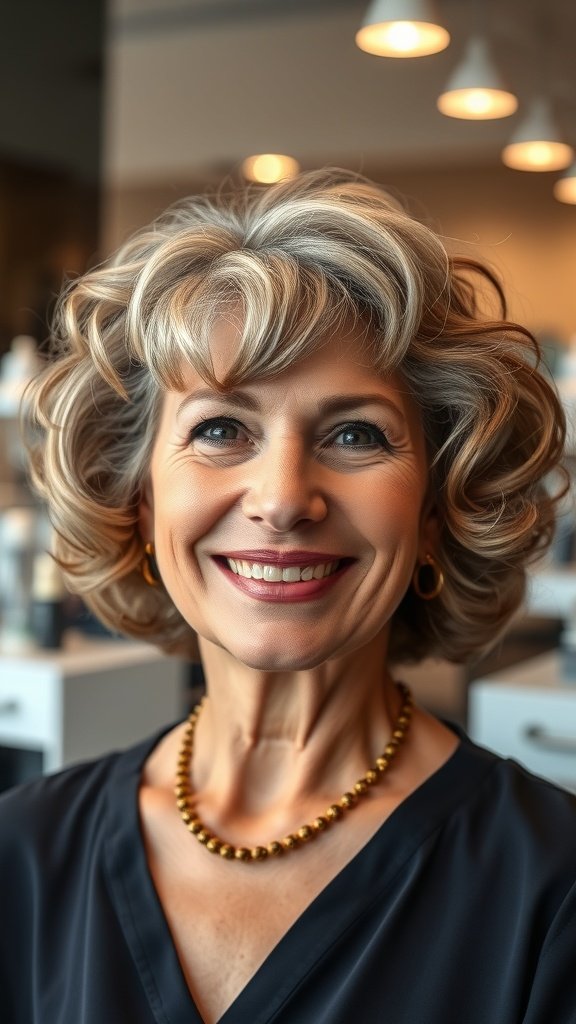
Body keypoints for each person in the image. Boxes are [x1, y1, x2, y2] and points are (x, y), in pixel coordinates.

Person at [0, 169, 575, 1024]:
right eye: (220, 428)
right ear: (140, 500)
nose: (281, 499)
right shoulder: (20, 856)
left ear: (435, 512)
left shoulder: (551, 892)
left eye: (356, 434)